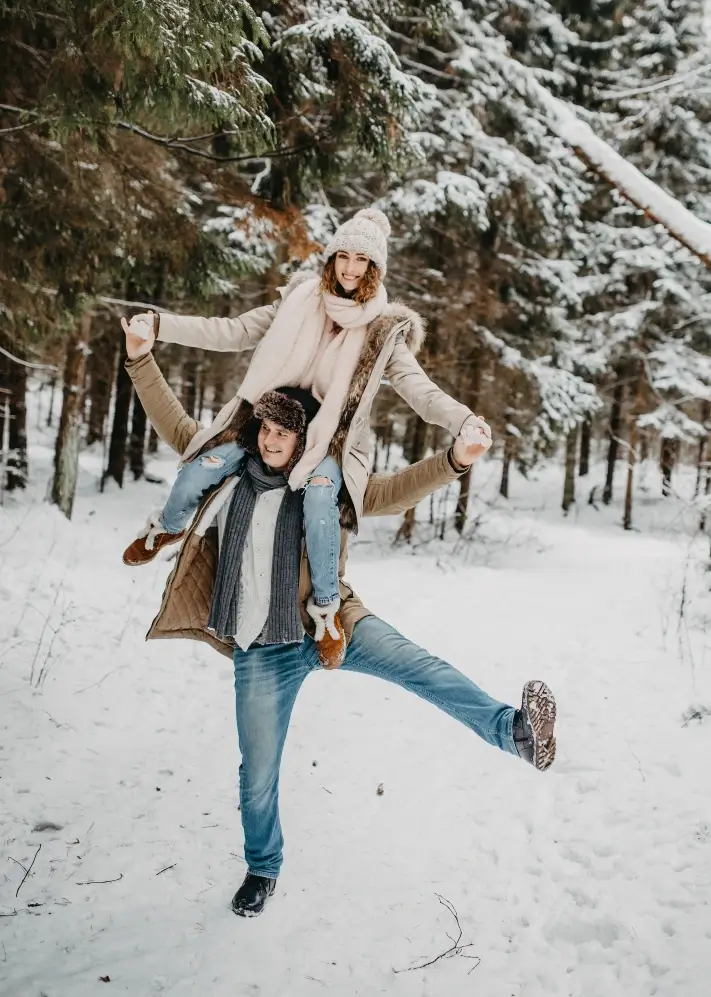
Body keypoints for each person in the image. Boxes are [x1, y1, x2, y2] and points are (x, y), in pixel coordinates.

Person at [123, 333, 557, 920]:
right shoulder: (224, 471)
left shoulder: (329, 486)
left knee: (418, 667)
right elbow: (169, 418)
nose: (272, 441)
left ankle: (516, 734)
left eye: (285, 433)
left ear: (304, 438)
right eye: (266, 430)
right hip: (261, 648)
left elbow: (397, 490)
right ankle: (262, 867)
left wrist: (455, 461)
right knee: (258, 771)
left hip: (332, 622)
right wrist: (140, 356)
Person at [121, 207, 492, 668]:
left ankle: (325, 609)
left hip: (329, 439)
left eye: (363, 261)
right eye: (344, 256)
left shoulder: (382, 334)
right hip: (269, 416)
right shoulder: (297, 301)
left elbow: (419, 389)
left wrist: (461, 423)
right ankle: (168, 527)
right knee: (203, 465)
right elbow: (233, 331)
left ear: (376, 269)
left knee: (320, 499)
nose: (351, 269)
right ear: (333, 257)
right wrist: (159, 326)